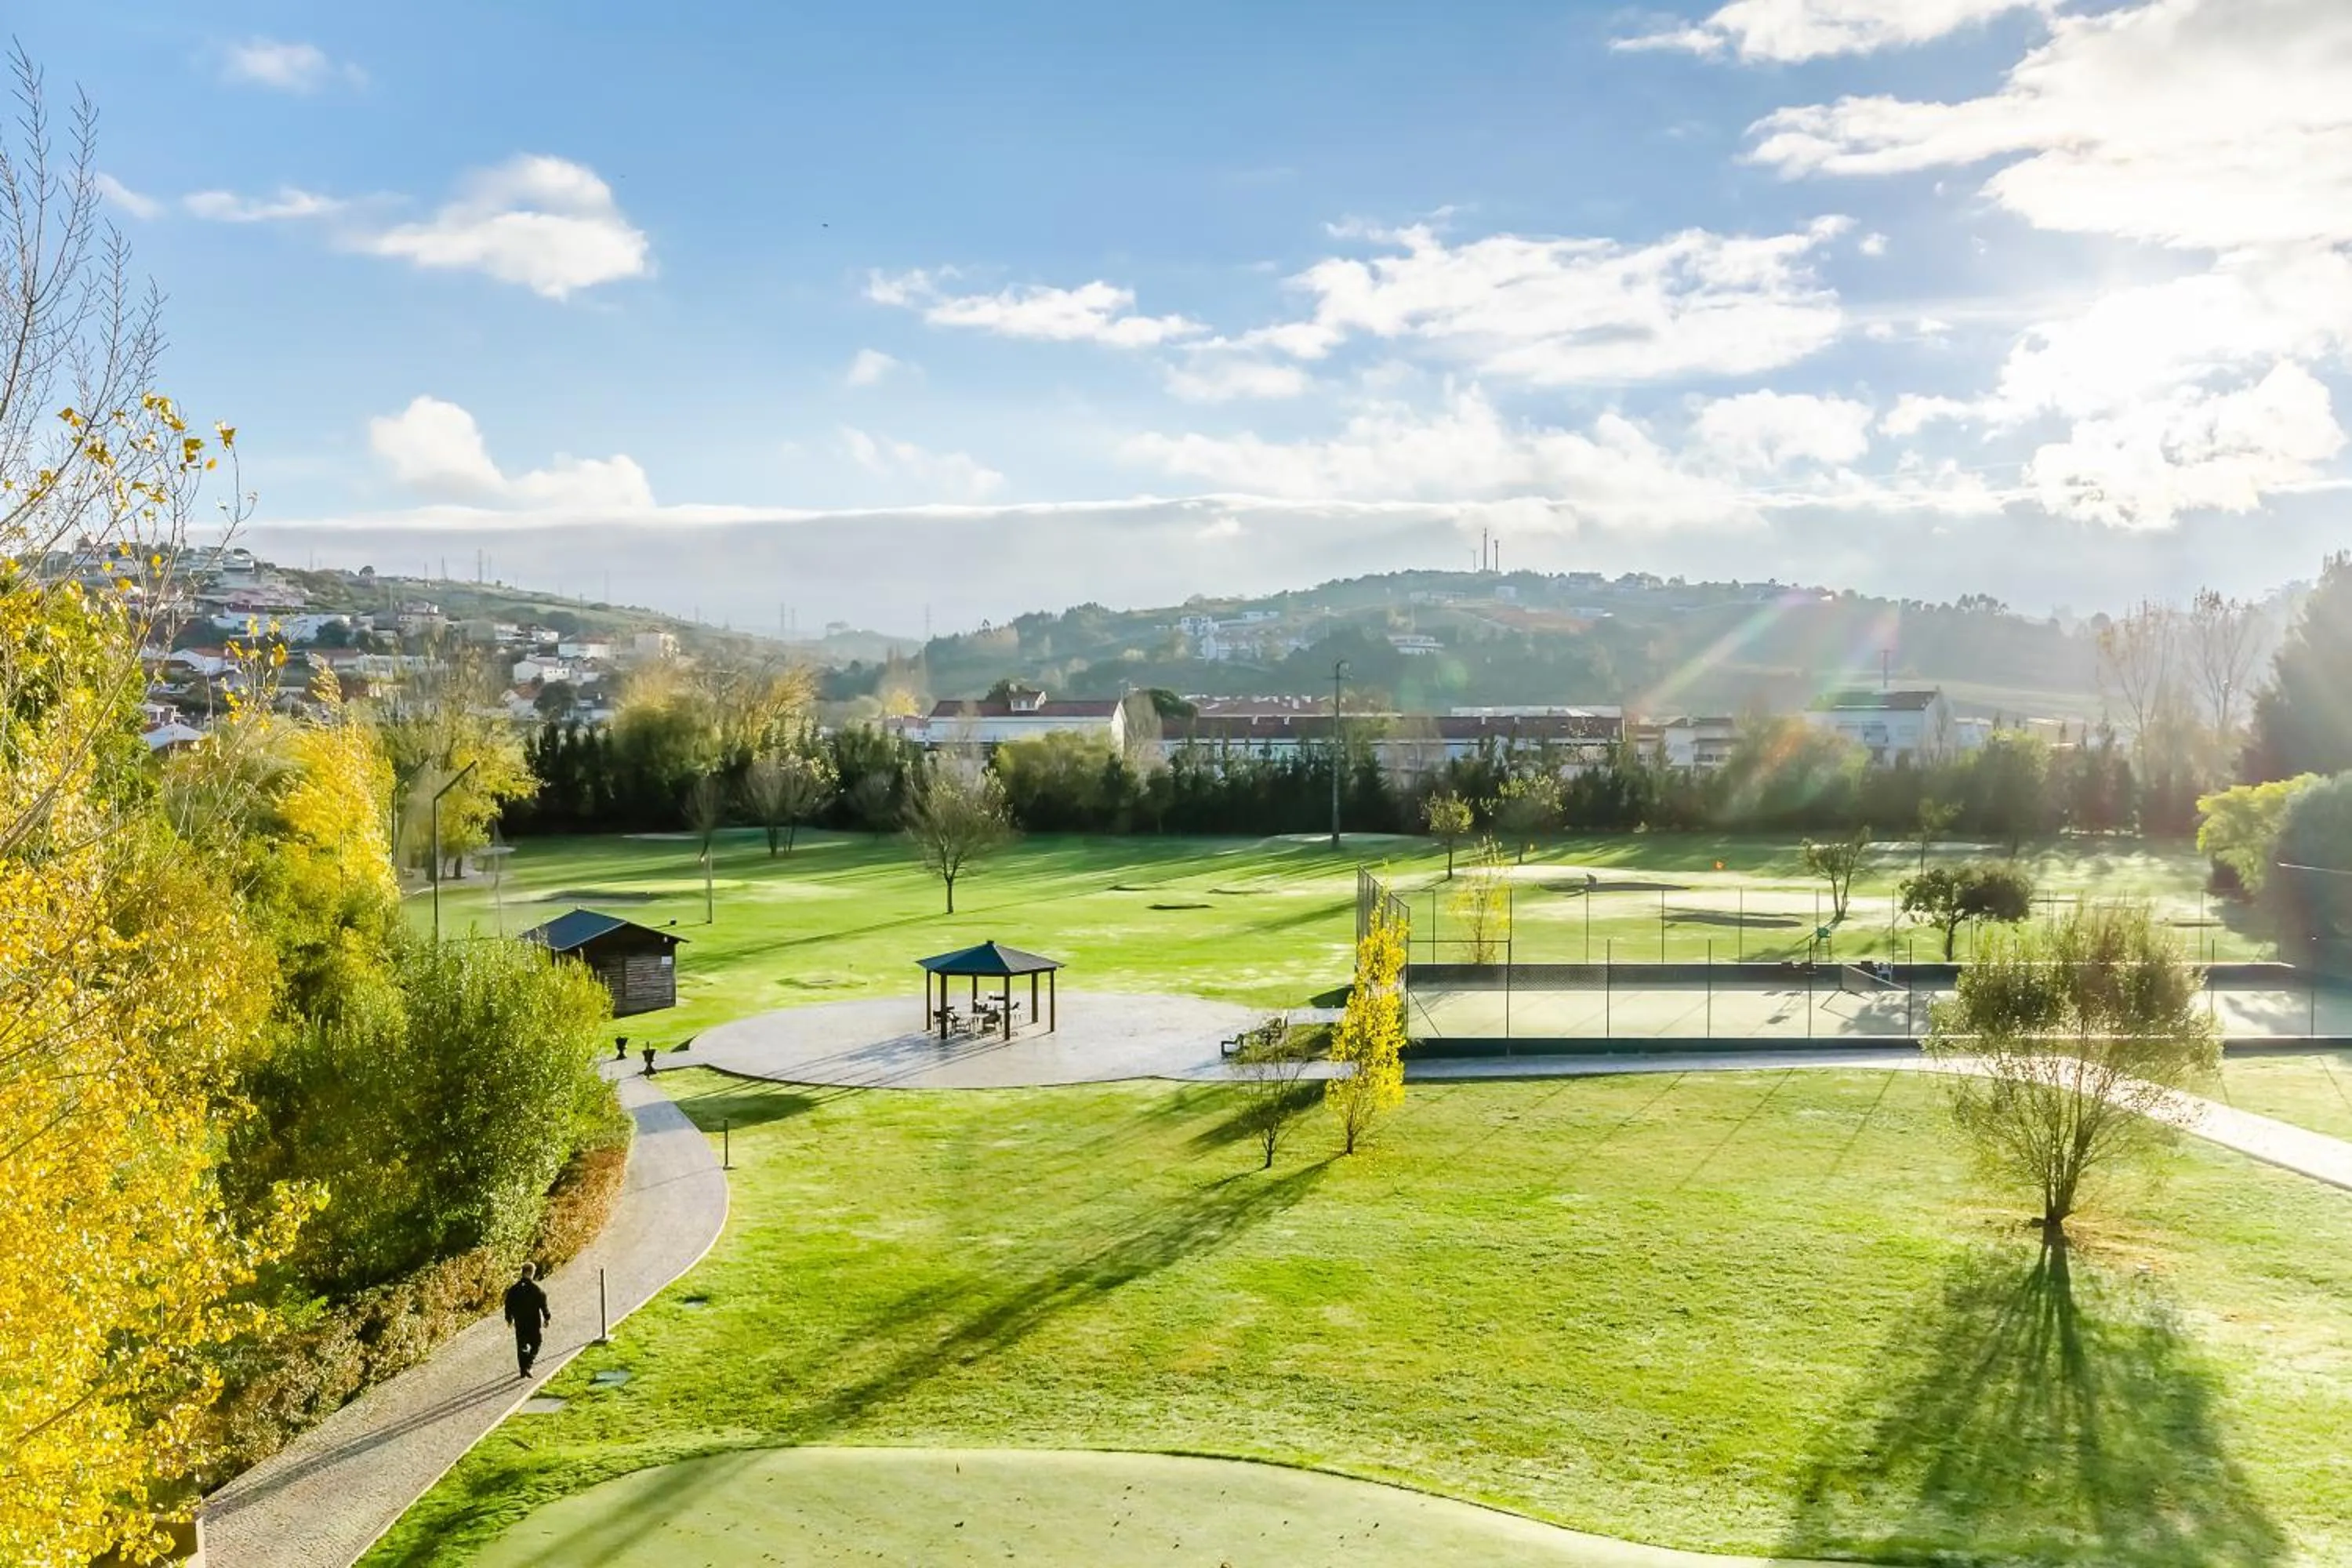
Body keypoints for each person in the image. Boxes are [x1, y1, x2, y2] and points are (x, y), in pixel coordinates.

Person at [503, 1262, 551, 1379]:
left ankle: (523, 1369)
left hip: (520, 1322)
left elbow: (508, 1305)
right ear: (531, 1273)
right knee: (537, 1343)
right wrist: (547, 1318)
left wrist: (509, 1318)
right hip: (534, 1323)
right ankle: (528, 1365)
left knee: (521, 1346)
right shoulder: (537, 1290)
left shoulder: (513, 1290)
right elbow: (543, 1306)